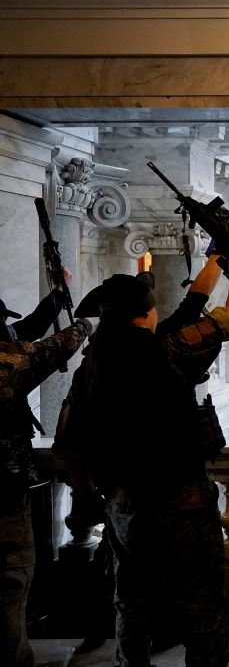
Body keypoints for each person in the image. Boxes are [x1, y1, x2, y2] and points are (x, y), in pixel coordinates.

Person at [55, 251, 229, 667]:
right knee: (202, 603)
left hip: (127, 503)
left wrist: (90, 497)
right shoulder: (171, 350)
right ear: (147, 311)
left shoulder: (91, 367)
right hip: (183, 500)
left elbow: (69, 445)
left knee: (133, 600)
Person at [1, 286, 92, 667]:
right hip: (3, 495)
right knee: (10, 581)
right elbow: (45, 350)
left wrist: (55, 299)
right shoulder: (7, 363)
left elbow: (24, 336)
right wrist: (84, 325)